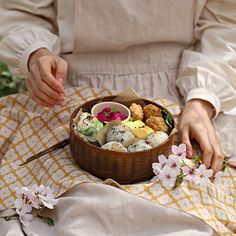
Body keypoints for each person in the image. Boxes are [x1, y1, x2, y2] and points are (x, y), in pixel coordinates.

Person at [0, 1, 236, 235]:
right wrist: (36, 53)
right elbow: (20, 9)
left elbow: (224, 21)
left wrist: (202, 101)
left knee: (188, 218)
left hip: (181, 96)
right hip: (72, 93)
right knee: (75, 214)